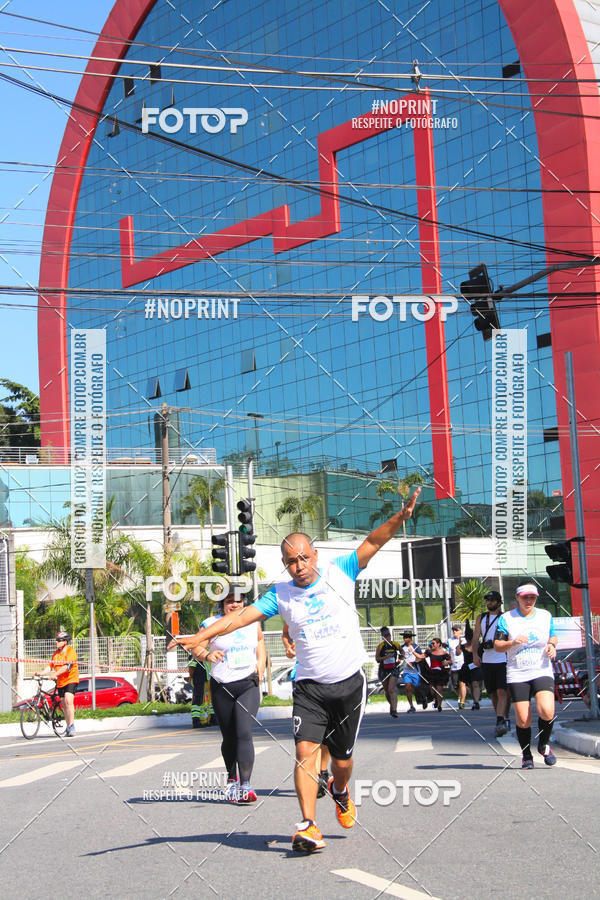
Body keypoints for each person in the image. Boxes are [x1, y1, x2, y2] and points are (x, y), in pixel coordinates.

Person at [170, 487, 420, 853]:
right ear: (285, 564)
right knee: (305, 752)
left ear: (315, 556)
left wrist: (400, 517)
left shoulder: (341, 570)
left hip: (349, 684)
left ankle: (340, 789)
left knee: (342, 761)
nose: (299, 565)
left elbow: (372, 542)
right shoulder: (280, 594)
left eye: (303, 558)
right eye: (291, 561)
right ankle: (308, 824)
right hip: (309, 689)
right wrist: (200, 636)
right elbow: (238, 618)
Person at [190, 588, 266, 802]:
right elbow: (196, 647)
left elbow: (260, 641)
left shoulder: (252, 620)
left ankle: (246, 785)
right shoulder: (211, 623)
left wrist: (261, 662)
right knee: (230, 736)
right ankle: (231, 779)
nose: (234, 605)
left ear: (244, 603)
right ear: (222, 605)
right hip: (222, 686)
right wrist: (207, 655)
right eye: (229, 601)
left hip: (248, 684)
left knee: (244, 732)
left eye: (238, 601)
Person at [494, 583, 558, 769]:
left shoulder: (545, 616)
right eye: (525, 597)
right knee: (523, 719)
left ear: (536, 598)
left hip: (541, 669)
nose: (528, 600)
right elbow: (498, 644)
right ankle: (526, 755)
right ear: (517, 598)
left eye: (532, 597)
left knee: (547, 710)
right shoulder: (507, 618)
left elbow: (553, 636)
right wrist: (513, 642)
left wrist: (552, 645)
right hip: (518, 673)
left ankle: (544, 744)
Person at [283, 622, 330, 798]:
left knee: (328, 733)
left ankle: (323, 770)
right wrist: (289, 647)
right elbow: (286, 633)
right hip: (303, 678)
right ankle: (314, 774)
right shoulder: (295, 608)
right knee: (309, 736)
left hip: (332, 676)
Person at [472, 590, 510, 736]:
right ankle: (500, 717)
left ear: (499, 603)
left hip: (502, 658)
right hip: (487, 659)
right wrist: (475, 654)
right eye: (487, 600)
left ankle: (501, 719)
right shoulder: (481, 617)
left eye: (492, 600)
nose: (489, 603)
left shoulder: (505, 617)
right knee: (493, 692)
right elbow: (476, 638)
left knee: (502, 691)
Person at [35, 630, 79, 737]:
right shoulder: (56, 654)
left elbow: (67, 667)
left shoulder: (70, 651)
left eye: (59, 640)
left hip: (71, 679)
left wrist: (55, 674)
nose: (57, 642)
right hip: (61, 682)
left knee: (69, 700)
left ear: (65, 642)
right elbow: (50, 666)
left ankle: (72, 726)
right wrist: (41, 673)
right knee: (64, 704)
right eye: (56, 640)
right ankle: (68, 726)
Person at [375, 626, 402, 717]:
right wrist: (385, 657)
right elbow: (377, 659)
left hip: (393, 670)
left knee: (391, 689)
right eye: (385, 636)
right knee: (386, 690)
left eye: (388, 636)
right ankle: (392, 705)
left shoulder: (396, 644)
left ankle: (394, 710)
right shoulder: (380, 646)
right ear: (383, 637)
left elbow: (402, 652)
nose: (387, 638)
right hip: (383, 670)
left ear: (390, 636)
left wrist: (401, 659)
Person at [425, 638, 451, 710]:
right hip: (432, 673)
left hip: (440, 673)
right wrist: (413, 653)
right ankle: (435, 699)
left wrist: (447, 662)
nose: (432, 645)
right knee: (432, 690)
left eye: (433, 643)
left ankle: (439, 705)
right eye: (431, 643)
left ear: (438, 644)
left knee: (439, 689)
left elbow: (450, 661)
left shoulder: (444, 653)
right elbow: (421, 657)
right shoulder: (429, 652)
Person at [448, 625, 467, 708]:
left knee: (462, 684)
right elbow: (449, 652)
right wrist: (448, 660)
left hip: (462, 664)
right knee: (455, 685)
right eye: (453, 630)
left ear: (460, 631)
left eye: (456, 630)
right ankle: (460, 696)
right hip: (454, 665)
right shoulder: (450, 640)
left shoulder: (464, 640)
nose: (454, 632)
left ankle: (462, 702)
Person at [188, 653, 208, 728]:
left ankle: (201, 720)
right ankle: (196, 720)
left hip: (202, 681)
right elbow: (191, 669)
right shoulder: (194, 658)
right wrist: (191, 678)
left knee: (201, 701)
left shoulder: (202, 658)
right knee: (197, 701)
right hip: (197, 681)